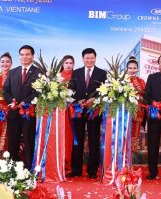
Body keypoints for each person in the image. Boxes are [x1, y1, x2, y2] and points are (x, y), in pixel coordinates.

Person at [68, 48, 107, 178]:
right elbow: (70, 91)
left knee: (94, 140)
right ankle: (76, 169)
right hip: (78, 110)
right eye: (87, 58)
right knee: (77, 140)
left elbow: (105, 92)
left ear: (95, 58)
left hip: (94, 111)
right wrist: (77, 101)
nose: (89, 60)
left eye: (91, 58)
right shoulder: (76, 72)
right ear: (83, 59)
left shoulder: (102, 73)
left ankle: (92, 171)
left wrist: (95, 99)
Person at [3, 45, 41, 169]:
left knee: (28, 140)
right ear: (19, 56)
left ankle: (29, 167)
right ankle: (12, 167)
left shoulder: (38, 72)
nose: (24, 57)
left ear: (32, 56)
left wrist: (25, 102)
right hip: (13, 112)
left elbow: (39, 91)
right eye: (22, 54)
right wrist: (11, 102)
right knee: (13, 140)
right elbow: (5, 90)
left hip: (28, 112)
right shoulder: (13, 72)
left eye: (27, 54)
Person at [126, 56, 146, 152]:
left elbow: (146, 98)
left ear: (137, 69)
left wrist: (139, 98)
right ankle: (120, 164)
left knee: (134, 139)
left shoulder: (141, 81)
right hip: (124, 113)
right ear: (127, 69)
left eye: (134, 68)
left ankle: (130, 165)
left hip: (137, 114)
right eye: (130, 68)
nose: (132, 70)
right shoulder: (121, 81)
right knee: (123, 137)